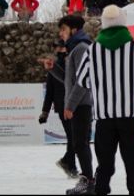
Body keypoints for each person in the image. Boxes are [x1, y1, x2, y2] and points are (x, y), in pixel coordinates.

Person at [76, 5, 134, 195]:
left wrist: (101, 81)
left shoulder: (92, 50)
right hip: (129, 115)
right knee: (132, 160)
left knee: (105, 162)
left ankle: (101, 190)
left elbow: (83, 80)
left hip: (104, 117)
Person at [58, 15, 94, 195]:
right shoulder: (75, 48)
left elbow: (82, 81)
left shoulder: (81, 48)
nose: (61, 33)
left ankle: (88, 182)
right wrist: (52, 69)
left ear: (73, 30)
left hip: (81, 104)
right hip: (79, 103)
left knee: (80, 143)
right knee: (79, 143)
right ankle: (87, 181)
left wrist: (70, 105)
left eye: (63, 29)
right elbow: (70, 80)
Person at [39, 40, 78, 179]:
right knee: (73, 137)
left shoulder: (73, 63)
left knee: (74, 138)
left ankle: (68, 163)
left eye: (62, 47)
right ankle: (69, 164)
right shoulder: (53, 67)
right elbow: (49, 92)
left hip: (75, 105)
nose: (60, 50)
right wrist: (45, 112)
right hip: (63, 107)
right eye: (57, 48)